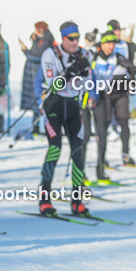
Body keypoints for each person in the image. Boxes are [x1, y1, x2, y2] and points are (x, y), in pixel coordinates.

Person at [38, 21, 92, 216]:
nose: (75, 42)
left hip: (72, 107)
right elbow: (54, 84)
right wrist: (71, 71)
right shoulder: (50, 54)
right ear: (63, 38)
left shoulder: (85, 54)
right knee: (55, 148)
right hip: (53, 106)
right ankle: (45, 199)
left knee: (78, 150)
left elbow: (86, 84)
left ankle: (77, 201)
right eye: (71, 39)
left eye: (77, 38)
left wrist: (80, 72)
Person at [88, 29, 136, 180]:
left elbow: (131, 67)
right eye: (109, 43)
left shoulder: (118, 56)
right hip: (103, 96)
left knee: (124, 122)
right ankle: (101, 161)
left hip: (120, 93)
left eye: (113, 43)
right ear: (102, 44)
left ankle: (125, 155)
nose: (112, 46)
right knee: (103, 128)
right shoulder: (94, 56)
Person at [17, 22, 53, 138]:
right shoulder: (41, 40)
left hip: (40, 73)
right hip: (34, 73)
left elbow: (35, 55)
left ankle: (45, 126)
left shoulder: (46, 42)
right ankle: (36, 127)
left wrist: (25, 49)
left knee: (41, 99)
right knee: (35, 99)